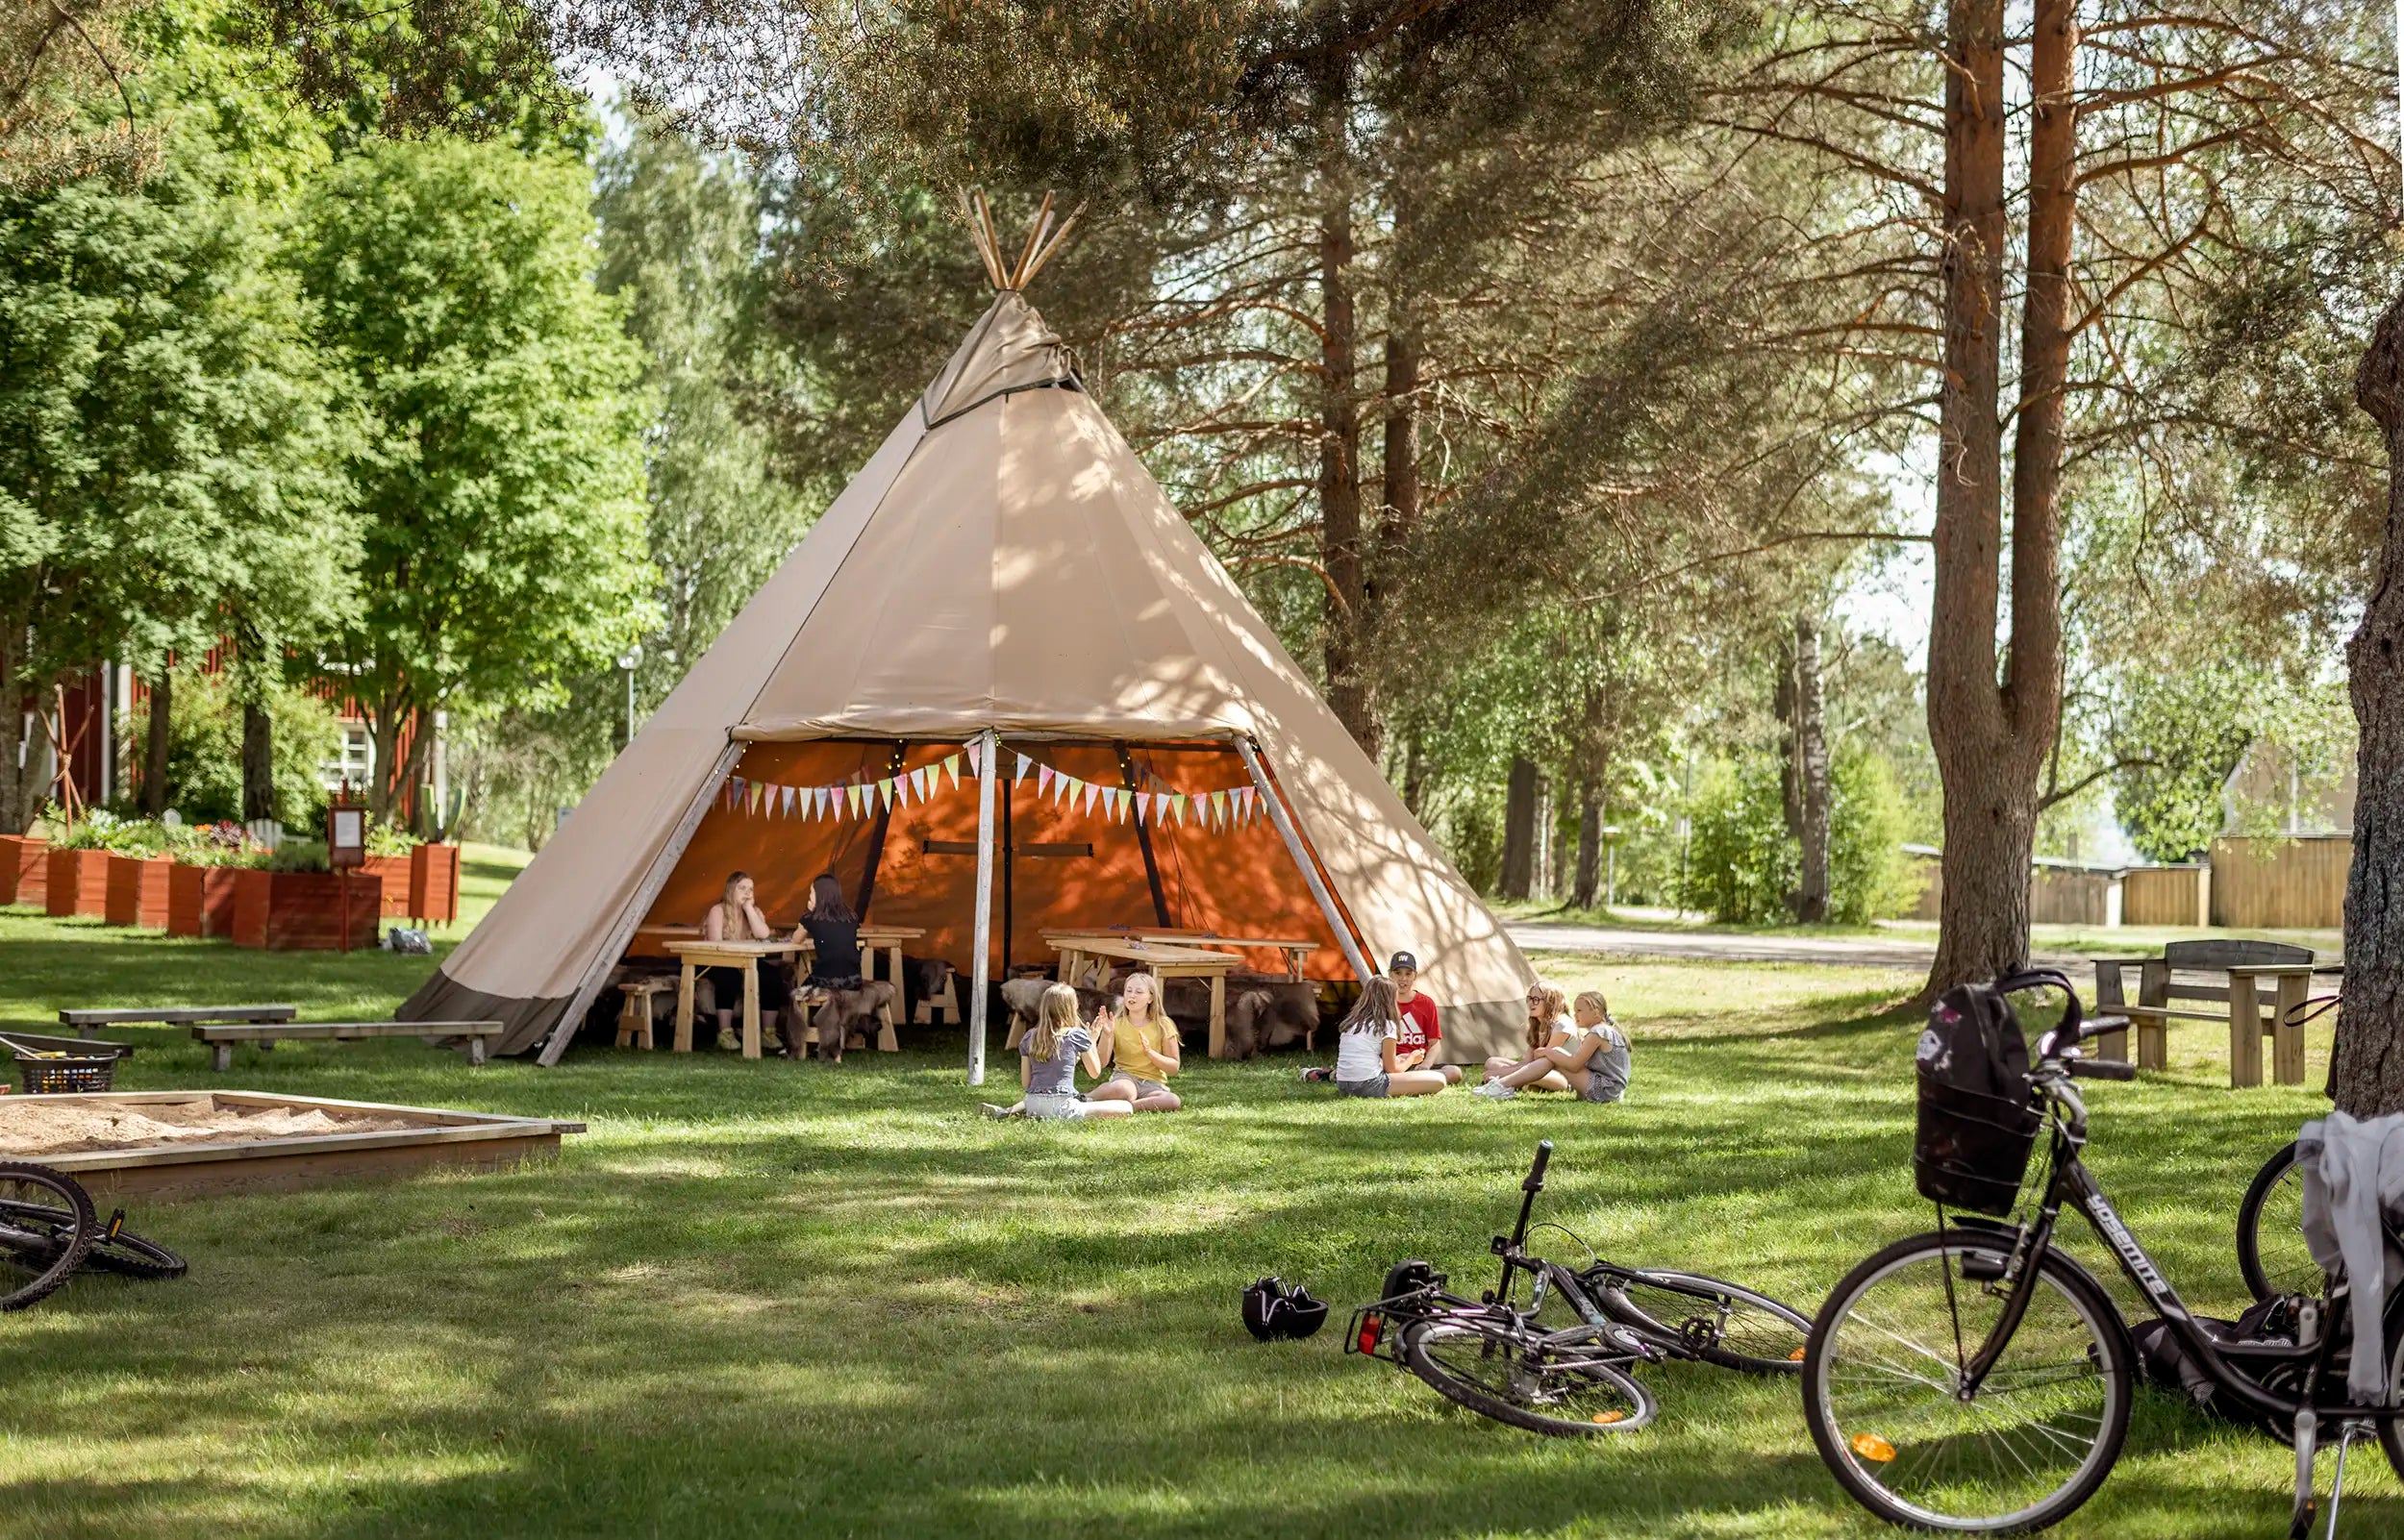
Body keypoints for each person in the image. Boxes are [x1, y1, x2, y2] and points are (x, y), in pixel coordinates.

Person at [1301, 950, 1460, 1084]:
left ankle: (1333, 1075)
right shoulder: (1382, 1002)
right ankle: (1333, 1075)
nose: (1403, 978)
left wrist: (1426, 1064)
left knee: (1454, 1072)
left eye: (1408, 973)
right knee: (1388, 1071)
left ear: (1415, 976)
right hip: (1386, 1063)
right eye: (1398, 973)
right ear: (1390, 974)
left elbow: (1434, 1043)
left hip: (1416, 1062)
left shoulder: (1426, 1003)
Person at [980, 983, 1133, 1121]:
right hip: (1062, 1106)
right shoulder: (1076, 1035)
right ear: (1073, 1007)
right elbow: (1095, 1073)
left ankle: (1009, 1111)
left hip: (1032, 1105)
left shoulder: (1029, 1037)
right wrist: (1091, 1041)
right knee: (1126, 1107)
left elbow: (1026, 1084)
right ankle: (1078, 1103)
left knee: (1056, 1099)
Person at [1476, 988, 1630, 1102]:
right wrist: (1551, 1053)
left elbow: (1575, 1065)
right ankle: (1504, 1085)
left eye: (1580, 1010)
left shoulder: (1598, 1033)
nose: (1575, 1014)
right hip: (1610, 1090)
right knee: (1553, 1054)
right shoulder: (1603, 1031)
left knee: (1552, 1056)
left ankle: (1502, 1085)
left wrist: (1548, 1052)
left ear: (1595, 1012)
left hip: (1606, 1091)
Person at [700, 872, 791, 1052]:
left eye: (751, 889)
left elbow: (763, 935)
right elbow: (716, 944)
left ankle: (768, 1033)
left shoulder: (754, 912)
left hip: (747, 960)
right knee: (729, 976)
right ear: (731, 890)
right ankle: (725, 1032)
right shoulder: (718, 911)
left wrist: (749, 909)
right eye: (742, 888)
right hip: (719, 960)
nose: (747, 893)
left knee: (771, 976)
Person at [1330, 976, 1453, 1099]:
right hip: (1368, 1084)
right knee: (1439, 1079)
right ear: (1390, 1000)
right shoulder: (1386, 1025)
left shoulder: (1352, 1023)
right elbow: (1392, 1070)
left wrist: (1398, 1059)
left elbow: (1364, 1058)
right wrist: (1412, 1058)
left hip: (1343, 1085)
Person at [1085, 971, 1183, 1112]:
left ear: (1150, 998)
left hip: (1153, 1084)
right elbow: (1101, 1063)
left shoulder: (1164, 1024)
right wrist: (1107, 1034)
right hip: (1125, 1078)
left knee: (1172, 1100)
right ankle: (1084, 1098)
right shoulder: (1116, 1023)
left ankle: (1128, 1106)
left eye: (1139, 992)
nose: (1132, 995)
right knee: (1124, 1090)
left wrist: (1150, 1053)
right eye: (1128, 991)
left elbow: (1173, 1068)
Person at [790, 873, 864, 1061]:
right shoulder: (851, 917)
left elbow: (796, 940)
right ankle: (830, 1044)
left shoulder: (812, 918)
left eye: (811, 893)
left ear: (820, 895)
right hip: (854, 980)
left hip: (826, 981)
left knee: (796, 994)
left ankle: (799, 1043)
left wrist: (807, 913)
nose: (809, 897)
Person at [1479, 983, 1577, 1093]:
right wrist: (1503, 1071)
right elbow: (1527, 1063)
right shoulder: (1538, 1025)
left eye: (1536, 999)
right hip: (1536, 1070)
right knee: (1491, 1062)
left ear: (1551, 1002)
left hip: (1561, 1077)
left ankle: (1509, 1082)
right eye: (1529, 999)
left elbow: (1545, 1063)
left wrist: (1501, 1073)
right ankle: (1527, 1083)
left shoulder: (1562, 1025)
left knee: (1536, 1070)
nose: (1531, 1003)